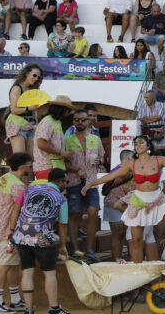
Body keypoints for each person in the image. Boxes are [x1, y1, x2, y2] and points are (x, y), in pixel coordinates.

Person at [81, 135, 165, 264]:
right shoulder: (132, 164)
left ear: (148, 145)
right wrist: (90, 184)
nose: (138, 145)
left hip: (157, 198)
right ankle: (137, 268)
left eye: (141, 143)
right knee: (136, 240)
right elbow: (111, 176)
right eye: (135, 144)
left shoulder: (158, 160)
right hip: (139, 200)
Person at [10, 168, 69, 314]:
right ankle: (54, 308)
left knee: (27, 272)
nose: (66, 184)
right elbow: (62, 225)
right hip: (42, 239)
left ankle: (29, 309)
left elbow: (17, 206)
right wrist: (63, 245)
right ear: (60, 182)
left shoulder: (31, 188)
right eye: (66, 182)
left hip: (21, 236)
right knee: (49, 274)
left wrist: (12, 229)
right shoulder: (61, 199)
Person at [0, 153, 30, 313]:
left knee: (13, 264)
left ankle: (15, 300)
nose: (30, 168)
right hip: (8, 231)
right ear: (22, 167)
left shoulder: (5, 178)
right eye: (29, 165)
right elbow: (19, 208)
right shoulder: (18, 186)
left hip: (0, 226)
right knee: (5, 264)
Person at [65, 109, 105, 257]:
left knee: (93, 213)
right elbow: (62, 162)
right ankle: (76, 249)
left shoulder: (95, 139)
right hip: (73, 182)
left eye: (82, 119)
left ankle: (90, 249)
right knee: (74, 214)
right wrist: (76, 170)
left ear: (88, 121)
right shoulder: (67, 140)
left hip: (92, 182)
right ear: (73, 121)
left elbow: (102, 157)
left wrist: (99, 161)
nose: (79, 122)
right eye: (76, 120)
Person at [33, 96, 75, 180]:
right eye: (69, 110)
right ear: (63, 110)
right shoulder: (48, 121)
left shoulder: (56, 122)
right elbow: (41, 144)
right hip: (46, 167)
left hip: (54, 167)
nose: (69, 113)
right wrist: (61, 153)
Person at [5, 63, 43, 156]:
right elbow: (13, 110)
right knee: (19, 159)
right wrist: (28, 108)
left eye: (39, 77)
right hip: (18, 125)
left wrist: (36, 125)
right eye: (34, 75)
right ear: (26, 73)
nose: (36, 78)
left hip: (31, 125)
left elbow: (34, 111)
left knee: (31, 159)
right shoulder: (17, 88)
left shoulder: (32, 90)